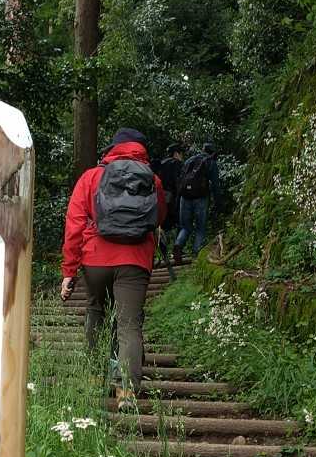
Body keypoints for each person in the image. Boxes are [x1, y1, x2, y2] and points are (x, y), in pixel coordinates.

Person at [61, 128, 165, 398]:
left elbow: (74, 225)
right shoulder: (152, 179)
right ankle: (126, 392)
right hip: (134, 261)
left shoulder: (91, 177)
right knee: (129, 324)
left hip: (95, 259)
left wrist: (69, 270)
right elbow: (158, 218)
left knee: (96, 312)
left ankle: (95, 378)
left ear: (112, 148)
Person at [174, 142, 221, 263]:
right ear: (213, 153)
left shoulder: (190, 160)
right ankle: (196, 254)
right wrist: (218, 203)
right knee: (200, 228)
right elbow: (215, 185)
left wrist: (178, 198)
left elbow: (181, 179)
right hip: (201, 198)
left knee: (185, 227)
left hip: (185, 197)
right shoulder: (211, 162)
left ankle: (178, 244)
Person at [154, 142, 185, 279]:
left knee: (162, 226)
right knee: (179, 223)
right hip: (173, 198)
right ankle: (176, 250)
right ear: (176, 153)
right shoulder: (176, 164)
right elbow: (178, 182)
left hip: (160, 198)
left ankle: (160, 254)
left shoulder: (161, 163)